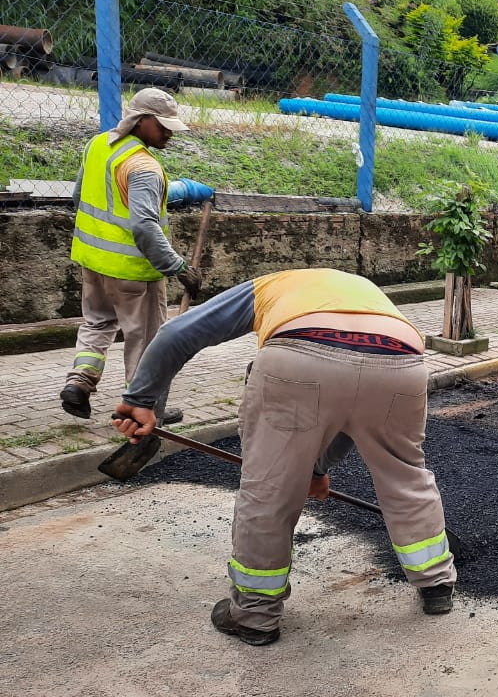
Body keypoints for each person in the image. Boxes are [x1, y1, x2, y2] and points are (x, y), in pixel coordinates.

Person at [111, 268, 456, 646]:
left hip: (299, 357)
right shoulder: (367, 293)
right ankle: (436, 583)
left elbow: (177, 333)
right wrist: (317, 469)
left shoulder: (269, 286)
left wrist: (140, 400)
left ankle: (255, 615)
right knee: (405, 477)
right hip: (401, 363)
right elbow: (349, 410)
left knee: (270, 490)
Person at [60, 88, 202, 423]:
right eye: (163, 125)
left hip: (93, 263)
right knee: (146, 340)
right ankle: (143, 409)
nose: (169, 133)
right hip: (134, 272)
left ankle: (80, 382)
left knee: (97, 322)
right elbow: (144, 228)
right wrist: (178, 267)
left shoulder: (98, 146)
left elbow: (79, 196)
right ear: (140, 120)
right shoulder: (144, 167)